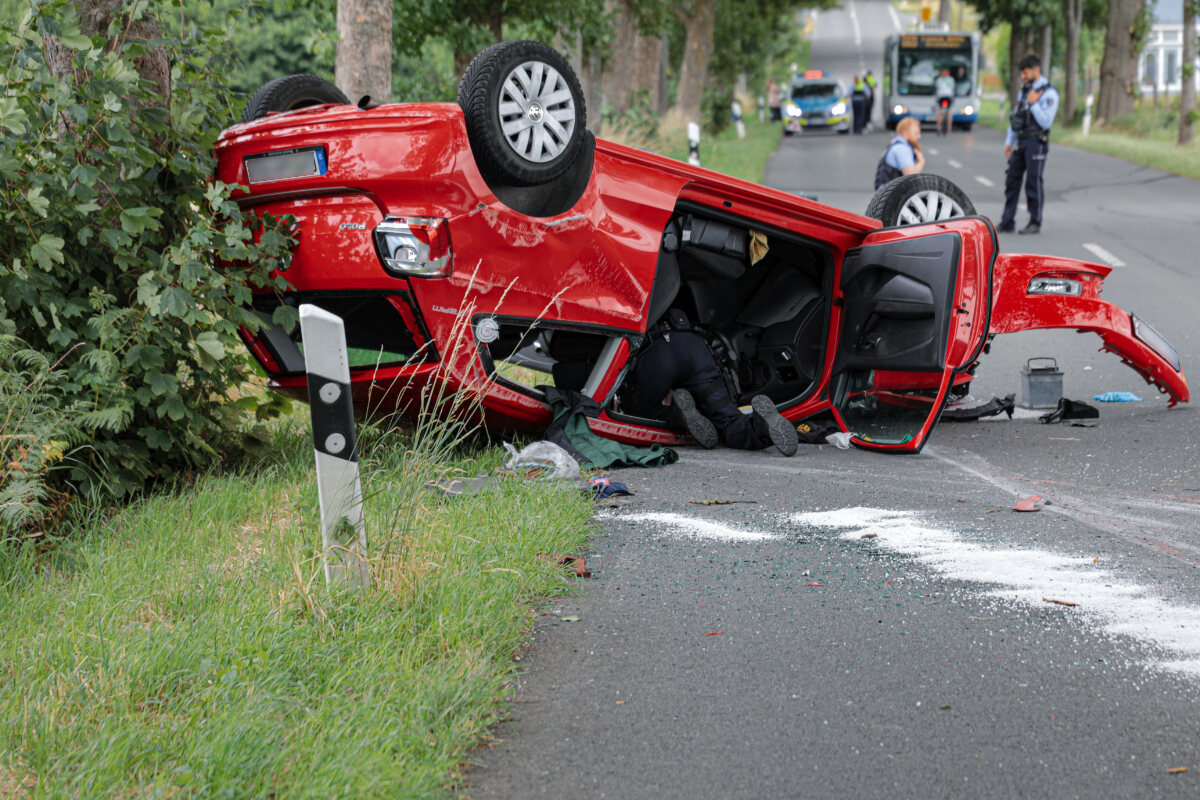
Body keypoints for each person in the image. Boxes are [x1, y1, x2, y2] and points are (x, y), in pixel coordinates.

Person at [622, 330, 798, 456]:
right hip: (695, 346)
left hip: (657, 349)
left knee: (643, 417)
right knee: (727, 419)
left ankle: (677, 416)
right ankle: (759, 427)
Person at [997, 53, 1059, 235]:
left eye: (1026, 72)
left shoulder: (1049, 94)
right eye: (1022, 73)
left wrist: (1034, 104)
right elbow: (1017, 118)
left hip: (1036, 142)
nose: (1023, 76)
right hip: (1022, 141)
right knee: (1012, 180)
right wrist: (1009, 142)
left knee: (1033, 181)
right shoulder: (1025, 91)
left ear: (1036, 70)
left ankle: (1035, 221)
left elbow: (1046, 122)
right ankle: (1007, 221)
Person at [873, 116, 924, 189]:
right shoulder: (901, 148)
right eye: (916, 133)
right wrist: (921, 161)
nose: (919, 137)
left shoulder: (895, 144)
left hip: (886, 192)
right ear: (906, 133)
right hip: (891, 194)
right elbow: (910, 175)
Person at [933, 68, 955, 135]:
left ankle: (938, 127)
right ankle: (949, 127)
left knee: (940, 111)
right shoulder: (951, 79)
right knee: (949, 111)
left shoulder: (939, 80)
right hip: (948, 97)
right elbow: (953, 88)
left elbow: (936, 88)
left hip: (941, 97)